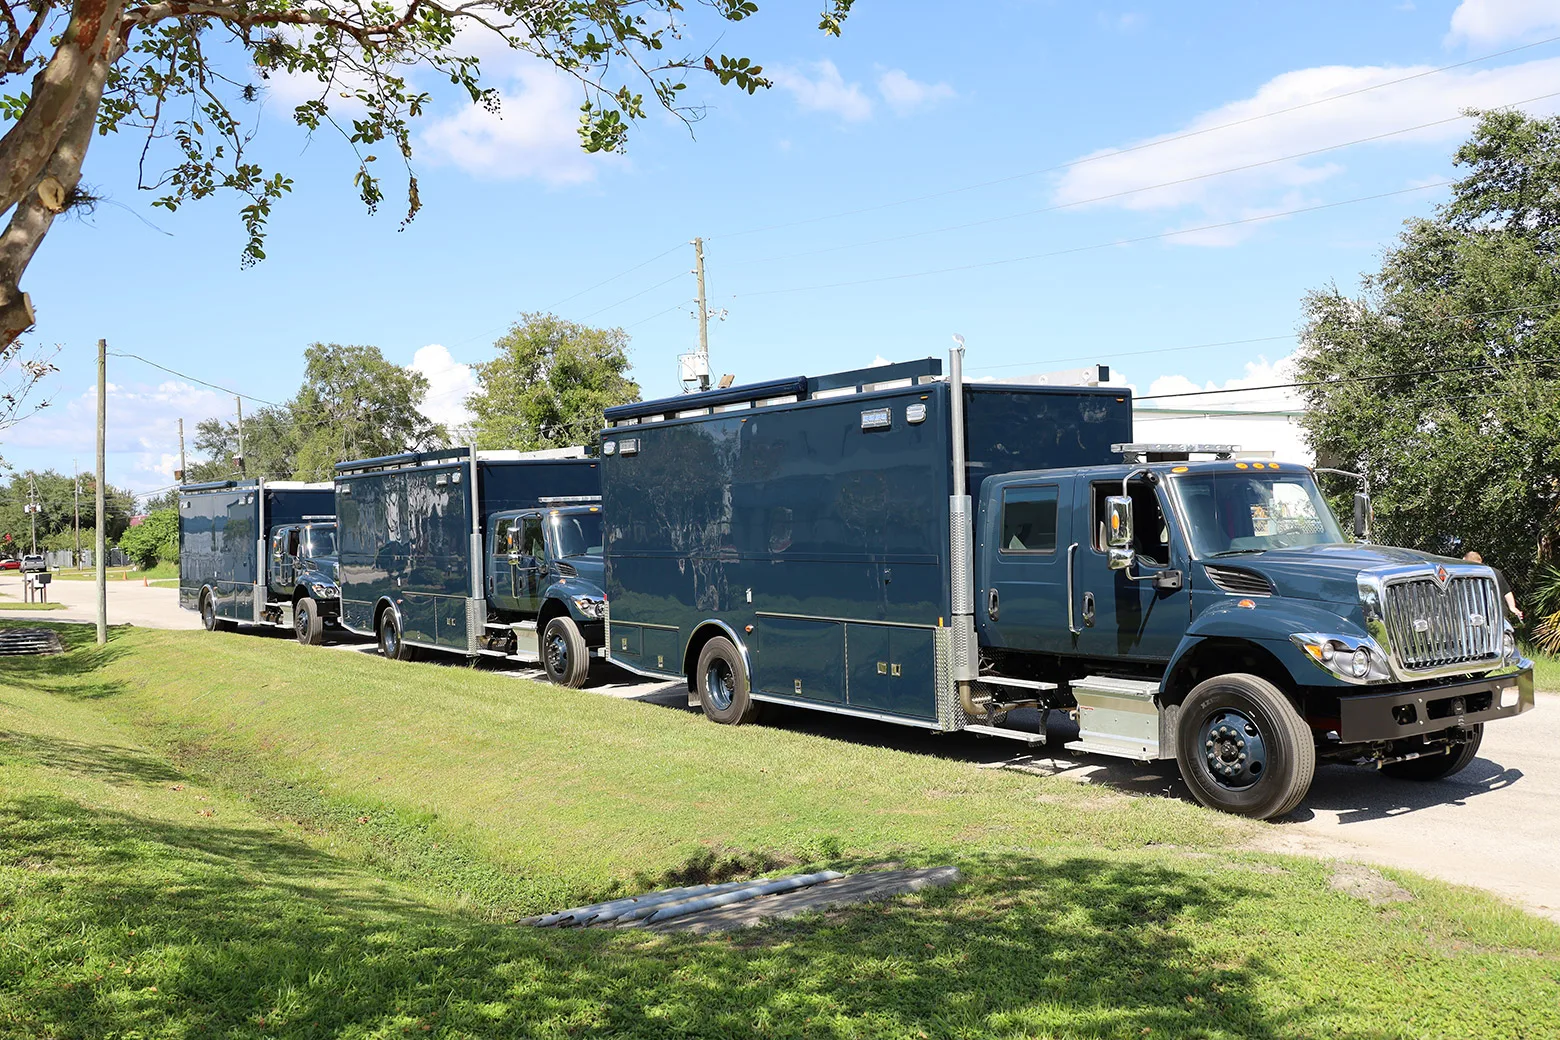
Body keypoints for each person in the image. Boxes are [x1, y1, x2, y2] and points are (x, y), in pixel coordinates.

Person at [1463, 551, 1523, 622]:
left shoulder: (1466, 575)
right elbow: (1507, 592)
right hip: (1498, 615)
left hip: (1482, 617)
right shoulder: (1494, 572)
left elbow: (1506, 591)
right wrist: (1512, 607)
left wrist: (1512, 607)